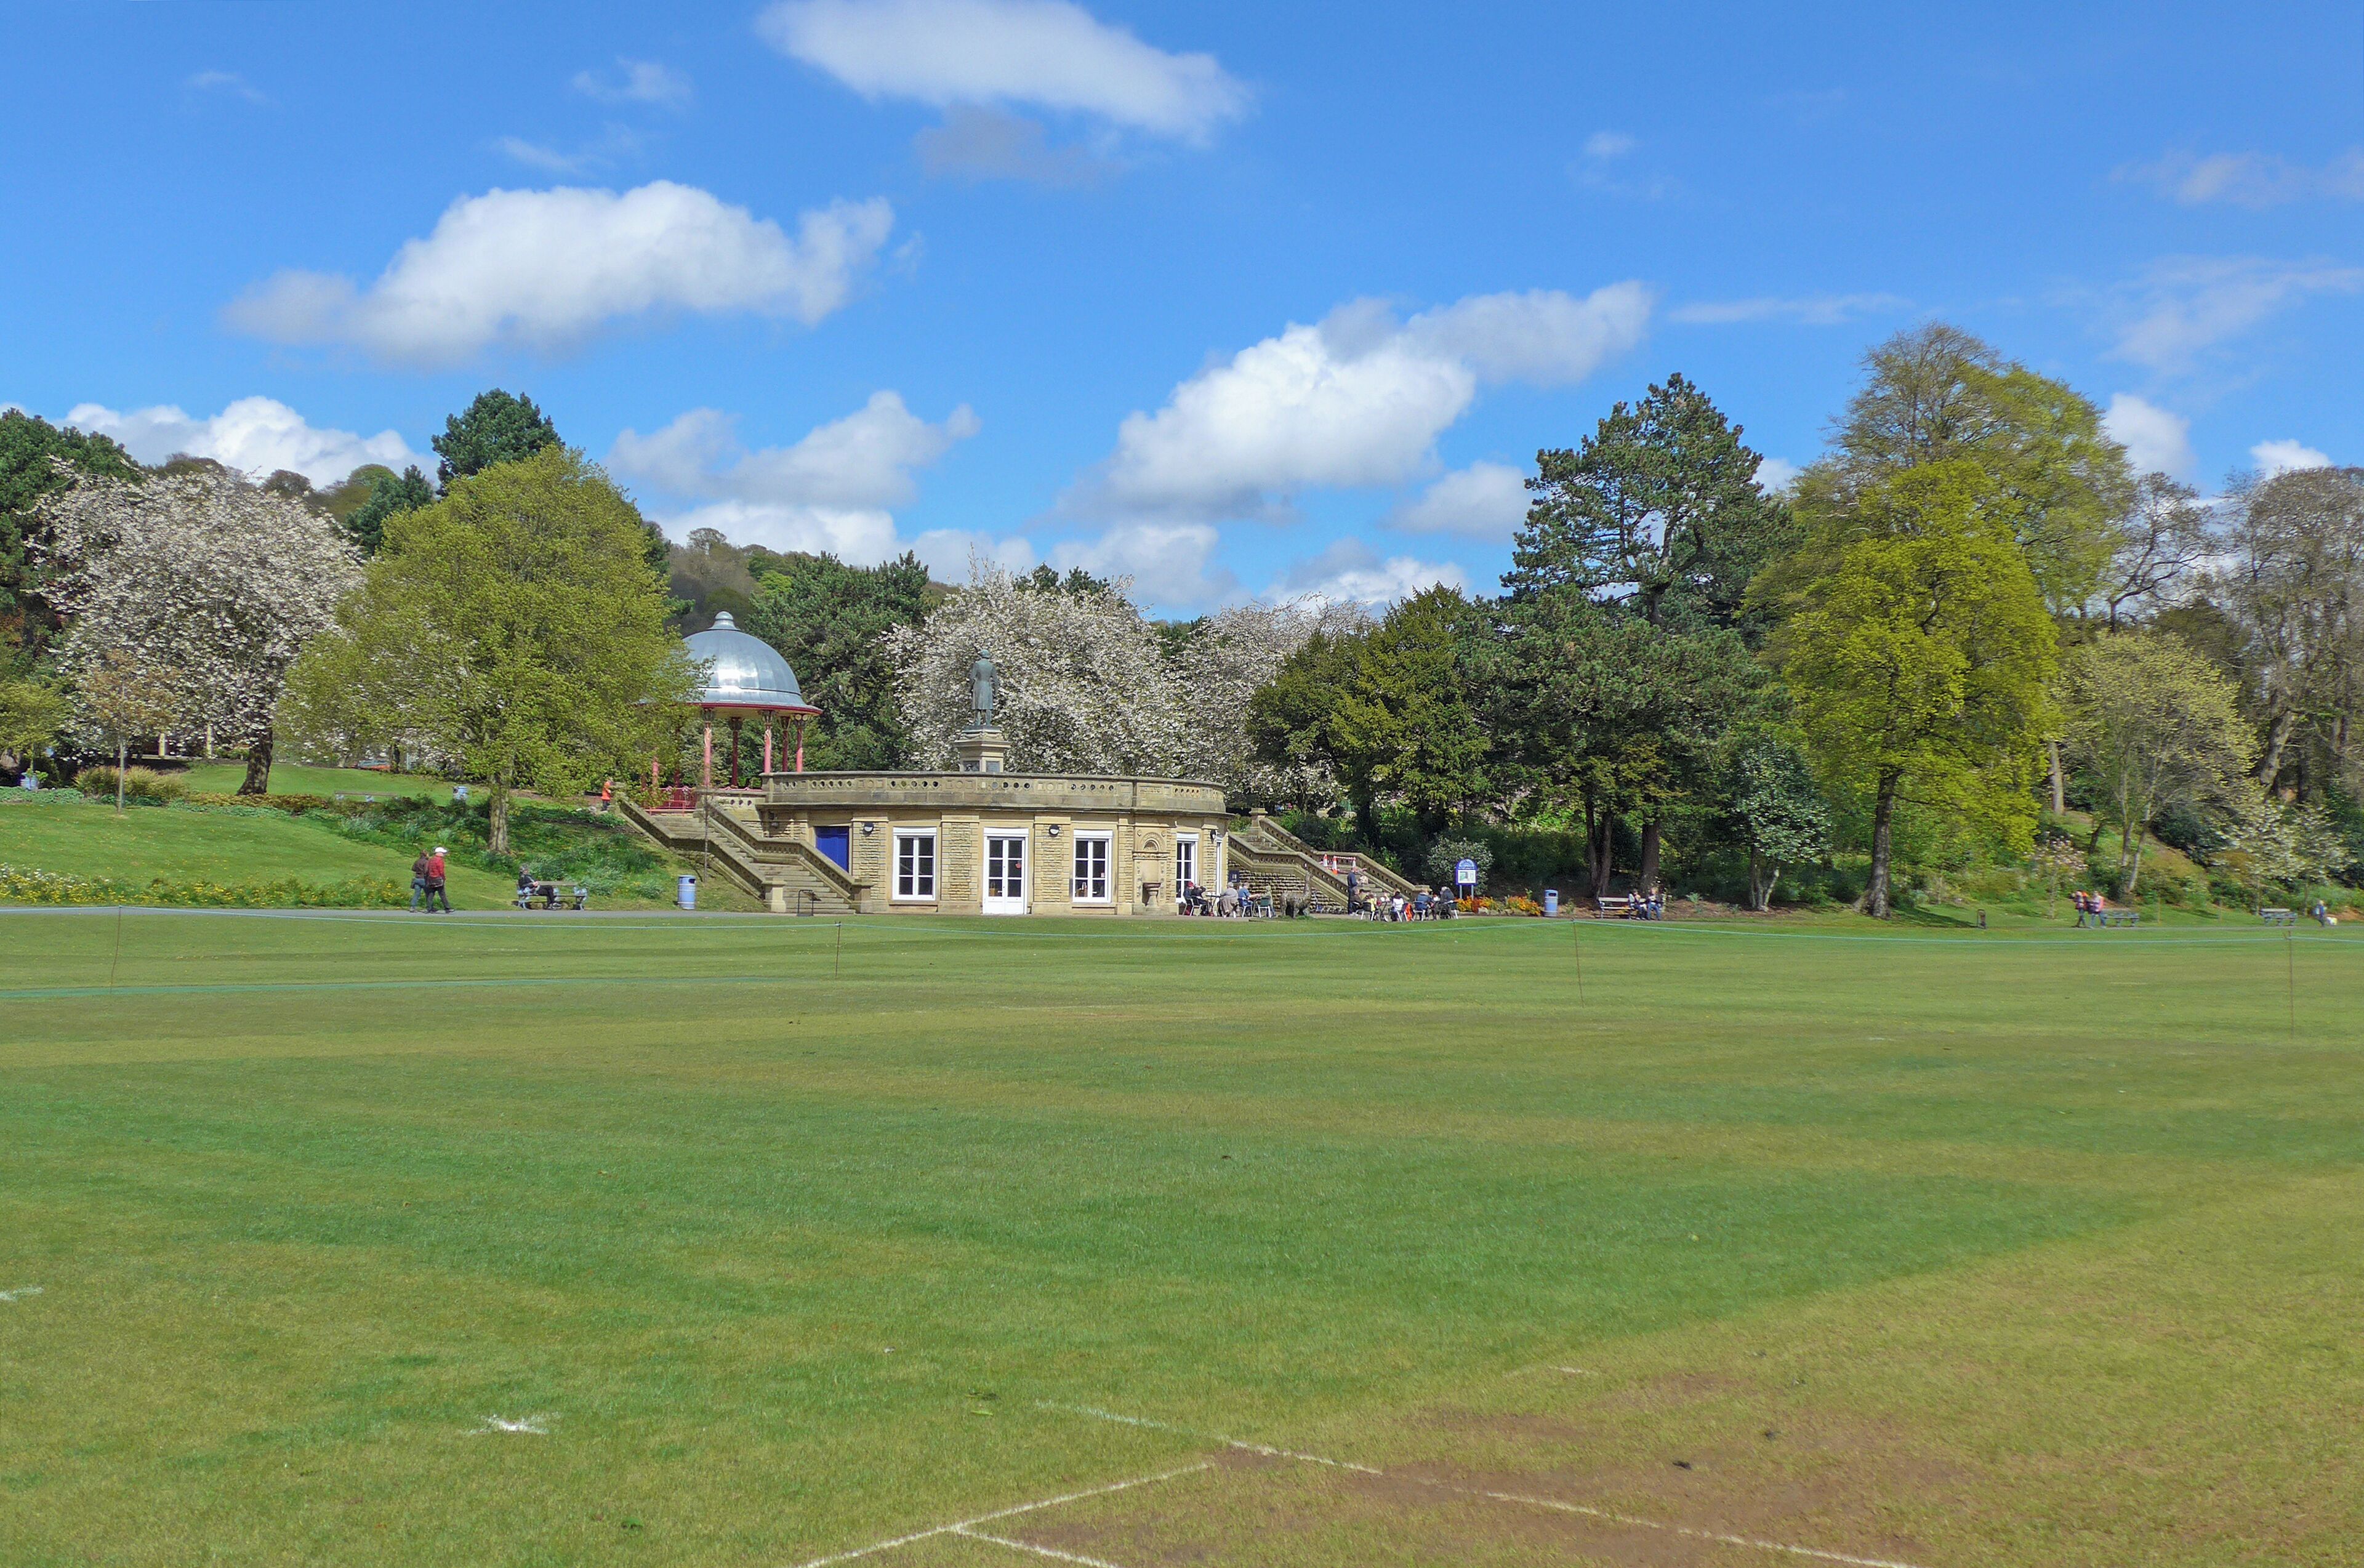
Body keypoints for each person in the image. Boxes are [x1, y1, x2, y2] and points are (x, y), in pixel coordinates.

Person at [425, 845, 451, 913]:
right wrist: (443, 878)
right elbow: (441, 871)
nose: (444, 854)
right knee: (442, 894)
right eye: (443, 853)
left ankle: (429, 908)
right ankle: (447, 908)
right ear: (439, 853)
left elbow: (427, 870)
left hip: (431, 878)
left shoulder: (431, 860)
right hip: (438, 879)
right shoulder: (440, 860)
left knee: (431, 894)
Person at [410, 848, 433, 912]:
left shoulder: (417, 861)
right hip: (423, 879)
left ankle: (413, 907)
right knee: (428, 893)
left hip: (417, 878)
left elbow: (413, 869)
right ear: (426, 855)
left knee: (417, 894)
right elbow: (426, 871)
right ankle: (429, 907)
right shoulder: (426, 862)